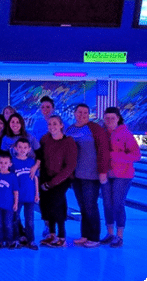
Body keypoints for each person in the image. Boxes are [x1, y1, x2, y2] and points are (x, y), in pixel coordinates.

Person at [65, 103, 110, 248]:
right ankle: (85, 235)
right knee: (82, 206)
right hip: (76, 175)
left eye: (85, 113)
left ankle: (94, 237)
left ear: (88, 114)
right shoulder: (70, 129)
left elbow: (103, 150)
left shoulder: (95, 129)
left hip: (91, 175)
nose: (82, 115)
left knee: (90, 206)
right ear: (74, 113)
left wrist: (103, 171)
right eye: (79, 112)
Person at [100, 107, 141, 248]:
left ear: (118, 118)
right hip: (106, 173)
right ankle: (110, 233)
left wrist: (116, 156)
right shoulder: (102, 133)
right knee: (107, 204)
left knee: (118, 203)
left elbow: (137, 155)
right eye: (107, 118)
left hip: (123, 175)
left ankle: (119, 236)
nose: (109, 121)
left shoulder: (126, 134)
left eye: (112, 118)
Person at [38, 115, 77, 248]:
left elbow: (70, 166)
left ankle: (61, 236)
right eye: (49, 124)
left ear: (61, 125)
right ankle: (51, 234)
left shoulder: (69, 142)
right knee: (47, 205)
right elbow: (40, 159)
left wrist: (52, 183)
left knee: (57, 204)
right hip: (46, 177)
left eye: (55, 124)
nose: (52, 127)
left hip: (62, 179)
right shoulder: (45, 139)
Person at [12, 138, 39, 250]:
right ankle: (16, 238)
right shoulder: (12, 162)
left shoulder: (31, 162)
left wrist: (37, 193)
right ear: (15, 148)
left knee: (30, 219)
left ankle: (31, 240)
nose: (22, 150)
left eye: (25, 148)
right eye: (20, 147)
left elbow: (35, 178)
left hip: (30, 195)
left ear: (29, 149)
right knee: (15, 218)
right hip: (17, 197)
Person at [0, 152, 19, 249]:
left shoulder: (12, 176)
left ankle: (9, 241)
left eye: (5, 163)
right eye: (1, 163)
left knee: (8, 224)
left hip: (8, 205)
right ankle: (0, 241)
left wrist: (16, 203)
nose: (3, 165)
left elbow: (15, 191)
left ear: (10, 164)